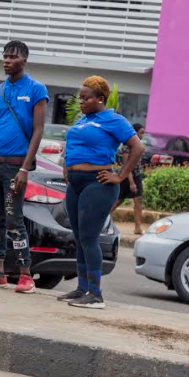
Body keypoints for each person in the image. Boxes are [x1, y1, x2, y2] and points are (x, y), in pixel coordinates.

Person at [58, 76, 144, 309]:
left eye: (86, 98)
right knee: (79, 237)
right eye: (80, 98)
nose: (81, 102)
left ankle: (95, 295)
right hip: (75, 184)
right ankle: (82, 288)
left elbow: (137, 147)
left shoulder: (113, 119)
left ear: (100, 99)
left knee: (88, 237)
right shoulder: (83, 121)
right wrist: (67, 166)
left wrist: (121, 175)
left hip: (98, 183)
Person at [0, 40, 48, 294]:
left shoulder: (36, 89)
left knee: (15, 219)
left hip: (16, 167)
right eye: (4, 56)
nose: (6, 60)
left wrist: (25, 169)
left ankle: (26, 275)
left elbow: (38, 131)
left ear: (24, 60)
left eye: (12, 56)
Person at [111, 123, 146, 234]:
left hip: (137, 175)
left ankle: (138, 228)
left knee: (138, 200)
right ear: (134, 132)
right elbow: (127, 165)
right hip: (127, 176)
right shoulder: (127, 146)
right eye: (140, 133)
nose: (142, 136)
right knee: (119, 200)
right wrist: (131, 183)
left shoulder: (138, 144)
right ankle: (102, 218)